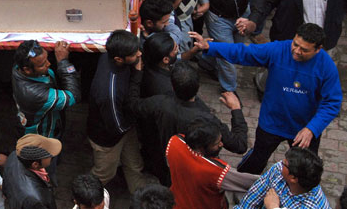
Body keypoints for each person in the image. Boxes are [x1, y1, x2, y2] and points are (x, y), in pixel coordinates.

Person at [194, 23, 342, 174]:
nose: (296, 51)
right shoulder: (279, 50)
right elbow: (245, 52)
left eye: (304, 50)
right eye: (295, 44)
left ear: (318, 49)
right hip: (271, 122)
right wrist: (210, 47)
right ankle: (243, 184)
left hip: (303, 130)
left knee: (305, 170)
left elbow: (332, 103)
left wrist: (312, 129)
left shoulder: (327, 67)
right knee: (256, 161)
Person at [130, 61, 249, 185]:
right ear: (198, 86)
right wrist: (236, 109)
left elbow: (133, 105)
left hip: (166, 163)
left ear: (172, 85)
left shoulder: (159, 103)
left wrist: (137, 73)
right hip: (193, 171)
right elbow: (239, 145)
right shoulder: (207, 120)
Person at [87, 30, 145, 193]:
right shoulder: (109, 92)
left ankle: (140, 197)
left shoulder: (109, 57)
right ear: (119, 59)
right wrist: (138, 75)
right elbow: (116, 126)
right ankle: (83, 197)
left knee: (134, 164)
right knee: (104, 174)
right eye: (134, 54)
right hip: (108, 138)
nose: (139, 54)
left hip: (125, 126)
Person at [166, 118, 258, 209]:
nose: (221, 144)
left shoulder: (174, 141)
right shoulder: (215, 171)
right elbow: (252, 182)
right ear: (201, 148)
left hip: (177, 202)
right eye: (216, 143)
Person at [12, 40, 80, 139]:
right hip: (42, 137)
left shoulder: (18, 67)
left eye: (47, 59)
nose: (48, 64)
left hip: (33, 119)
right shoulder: (36, 95)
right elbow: (74, 96)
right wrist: (63, 62)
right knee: (49, 151)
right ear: (27, 69)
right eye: (42, 65)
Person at [235, 147, 329, 209]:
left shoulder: (313, 206)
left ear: (293, 178)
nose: (280, 163)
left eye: (284, 164)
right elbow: (252, 198)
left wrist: (273, 207)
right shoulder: (278, 170)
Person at [3, 133, 62, 209]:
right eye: (50, 156)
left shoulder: (14, 155)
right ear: (35, 164)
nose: (53, 156)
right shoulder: (35, 201)